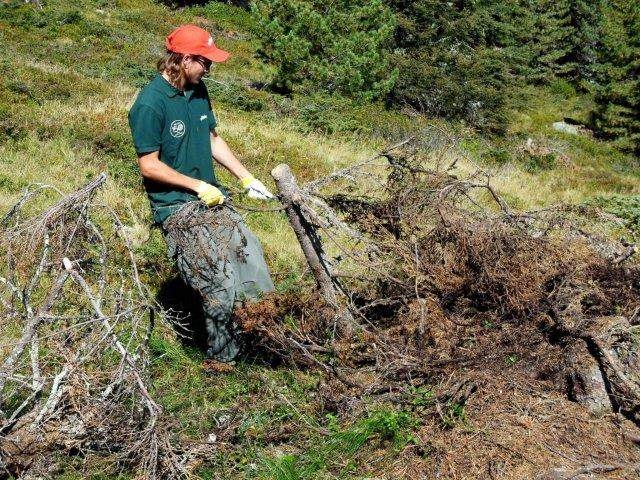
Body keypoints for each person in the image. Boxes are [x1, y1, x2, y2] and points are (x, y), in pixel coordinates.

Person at [128, 24, 275, 368]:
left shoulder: (198, 91)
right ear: (184, 59)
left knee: (252, 261)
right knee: (218, 279)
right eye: (204, 62)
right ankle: (222, 361)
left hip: (212, 199)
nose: (209, 68)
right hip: (177, 209)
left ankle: (265, 340)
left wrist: (246, 177)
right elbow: (149, 166)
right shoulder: (150, 103)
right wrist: (197, 186)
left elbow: (211, 139)